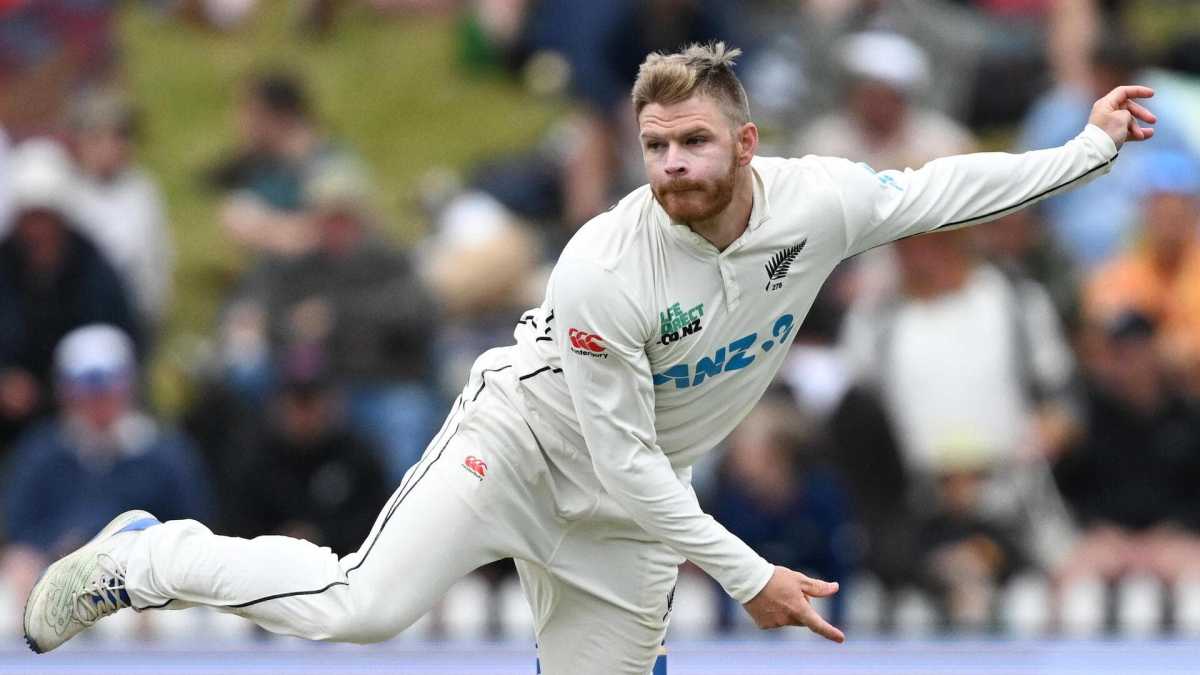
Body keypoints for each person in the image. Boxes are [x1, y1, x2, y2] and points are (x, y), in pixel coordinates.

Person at [24, 43, 1155, 673]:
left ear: (747, 143)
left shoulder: (823, 202)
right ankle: (149, 556)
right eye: (654, 145)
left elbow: (945, 190)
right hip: (521, 450)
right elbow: (619, 463)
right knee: (356, 608)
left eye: (695, 142)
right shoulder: (602, 267)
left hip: (631, 508)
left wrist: (1088, 148)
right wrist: (746, 572)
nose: (672, 164)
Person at [2, 325, 211, 624]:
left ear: (127, 387)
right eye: (86, 392)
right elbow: (20, 535)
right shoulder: (41, 453)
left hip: (143, 588)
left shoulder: (164, 454)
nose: (98, 403)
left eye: (106, 390)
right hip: (53, 581)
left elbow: (193, 531)